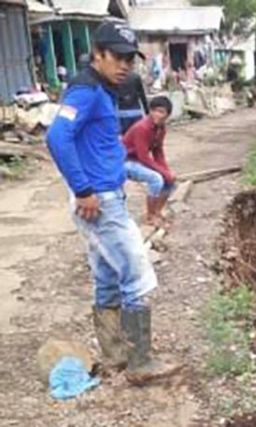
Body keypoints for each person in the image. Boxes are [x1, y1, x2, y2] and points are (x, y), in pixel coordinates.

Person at [46, 22, 180, 385]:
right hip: (98, 201)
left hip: (104, 194)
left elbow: (100, 146)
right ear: (98, 55)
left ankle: (116, 355)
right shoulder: (87, 91)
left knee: (107, 277)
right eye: (117, 58)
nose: (124, 66)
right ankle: (140, 362)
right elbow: (58, 136)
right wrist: (84, 188)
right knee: (137, 274)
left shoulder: (103, 90)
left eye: (129, 60)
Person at [122, 96, 176, 227]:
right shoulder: (142, 128)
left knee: (170, 181)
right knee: (156, 179)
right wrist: (163, 172)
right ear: (150, 111)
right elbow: (143, 157)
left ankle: (157, 211)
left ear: (168, 115)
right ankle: (150, 215)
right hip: (126, 161)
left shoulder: (161, 129)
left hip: (139, 161)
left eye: (162, 112)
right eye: (156, 111)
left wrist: (167, 171)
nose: (158, 115)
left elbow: (158, 152)